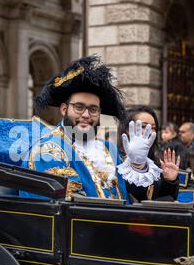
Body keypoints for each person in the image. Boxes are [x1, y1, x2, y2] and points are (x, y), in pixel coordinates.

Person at [20, 55, 175, 203]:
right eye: (79, 107)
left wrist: (138, 165)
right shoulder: (48, 150)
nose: (86, 115)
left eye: (93, 109)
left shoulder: (109, 149)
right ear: (64, 109)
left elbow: (140, 197)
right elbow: (69, 206)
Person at [119, 106, 180, 202]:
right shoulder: (115, 159)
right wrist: (137, 164)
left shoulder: (154, 162)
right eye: (144, 126)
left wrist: (169, 181)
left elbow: (164, 199)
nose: (151, 132)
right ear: (127, 129)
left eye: (154, 128)